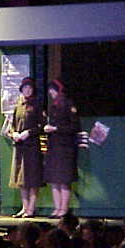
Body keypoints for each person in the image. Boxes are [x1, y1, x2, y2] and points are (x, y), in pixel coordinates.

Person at [43, 79, 80, 218]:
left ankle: (64, 209)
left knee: (64, 180)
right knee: (54, 179)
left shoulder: (69, 104)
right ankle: (57, 208)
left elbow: (75, 126)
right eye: (50, 90)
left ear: (59, 90)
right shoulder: (53, 106)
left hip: (65, 147)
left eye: (53, 89)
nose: (50, 92)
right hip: (53, 146)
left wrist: (56, 128)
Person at [9, 77, 43, 218]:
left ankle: (31, 208)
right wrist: (14, 134)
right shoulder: (18, 105)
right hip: (20, 147)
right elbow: (12, 125)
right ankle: (25, 207)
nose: (28, 90)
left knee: (33, 178)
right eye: (25, 88)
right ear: (21, 90)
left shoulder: (36, 105)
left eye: (30, 88)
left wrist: (29, 132)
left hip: (32, 146)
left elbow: (41, 126)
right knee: (21, 179)